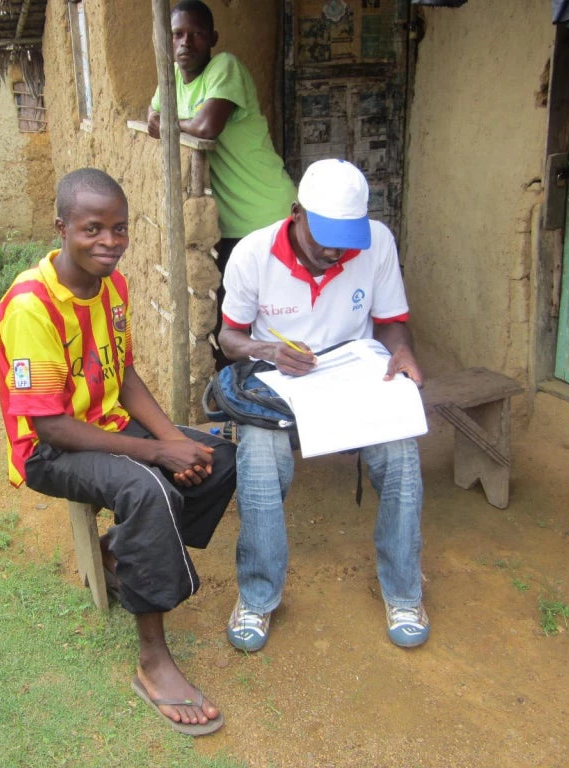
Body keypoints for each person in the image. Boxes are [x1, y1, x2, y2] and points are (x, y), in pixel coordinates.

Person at [0, 167, 237, 736]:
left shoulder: (112, 286)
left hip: (105, 422)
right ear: (62, 227)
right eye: (93, 229)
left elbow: (123, 375)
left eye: (120, 229)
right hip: (49, 449)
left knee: (217, 457)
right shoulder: (32, 305)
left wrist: (175, 441)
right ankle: (153, 660)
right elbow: (51, 427)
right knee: (149, 488)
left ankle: (121, 551)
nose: (110, 242)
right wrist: (157, 455)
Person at [218, 158, 429, 652]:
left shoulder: (375, 242)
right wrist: (269, 351)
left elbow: (392, 319)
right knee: (261, 461)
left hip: (352, 376)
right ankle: (257, 597)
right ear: (296, 214)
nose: (334, 251)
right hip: (280, 383)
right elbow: (229, 338)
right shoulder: (252, 254)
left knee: (400, 454)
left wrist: (402, 351)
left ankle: (403, 591)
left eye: (344, 240)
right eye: (323, 238)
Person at [147, 0, 296, 369]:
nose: (186, 43)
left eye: (197, 34)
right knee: (233, 316)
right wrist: (176, 119)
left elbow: (206, 127)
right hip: (232, 224)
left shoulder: (223, 67)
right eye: (178, 34)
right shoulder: (172, 83)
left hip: (268, 212)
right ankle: (239, 398)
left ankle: (271, 398)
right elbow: (150, 115)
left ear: (212, 38)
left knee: (276, 313)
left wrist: (171, 122)